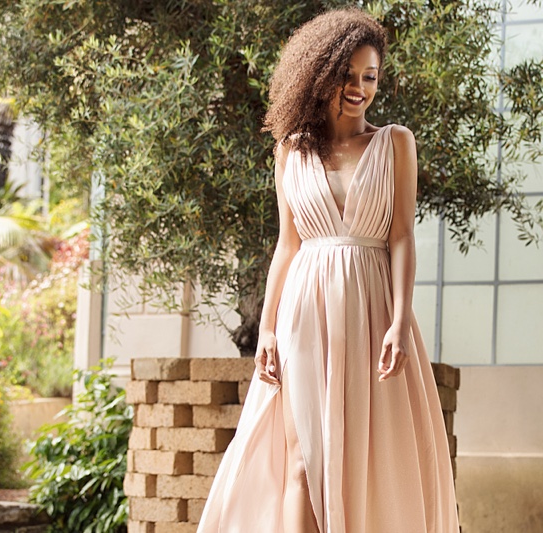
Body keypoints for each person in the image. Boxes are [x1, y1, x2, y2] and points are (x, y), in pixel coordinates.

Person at [197, 7, 460, 533]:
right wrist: (268, 327)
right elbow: (287, 246)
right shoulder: (290, 150)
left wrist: (400, 320)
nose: (360, 88)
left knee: (365, 463)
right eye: (349, 74)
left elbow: (402, 235)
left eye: (371, 76)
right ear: (321, 73)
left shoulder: (395, 143)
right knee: (302, 460)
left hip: (373, 312)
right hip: (304, 315)